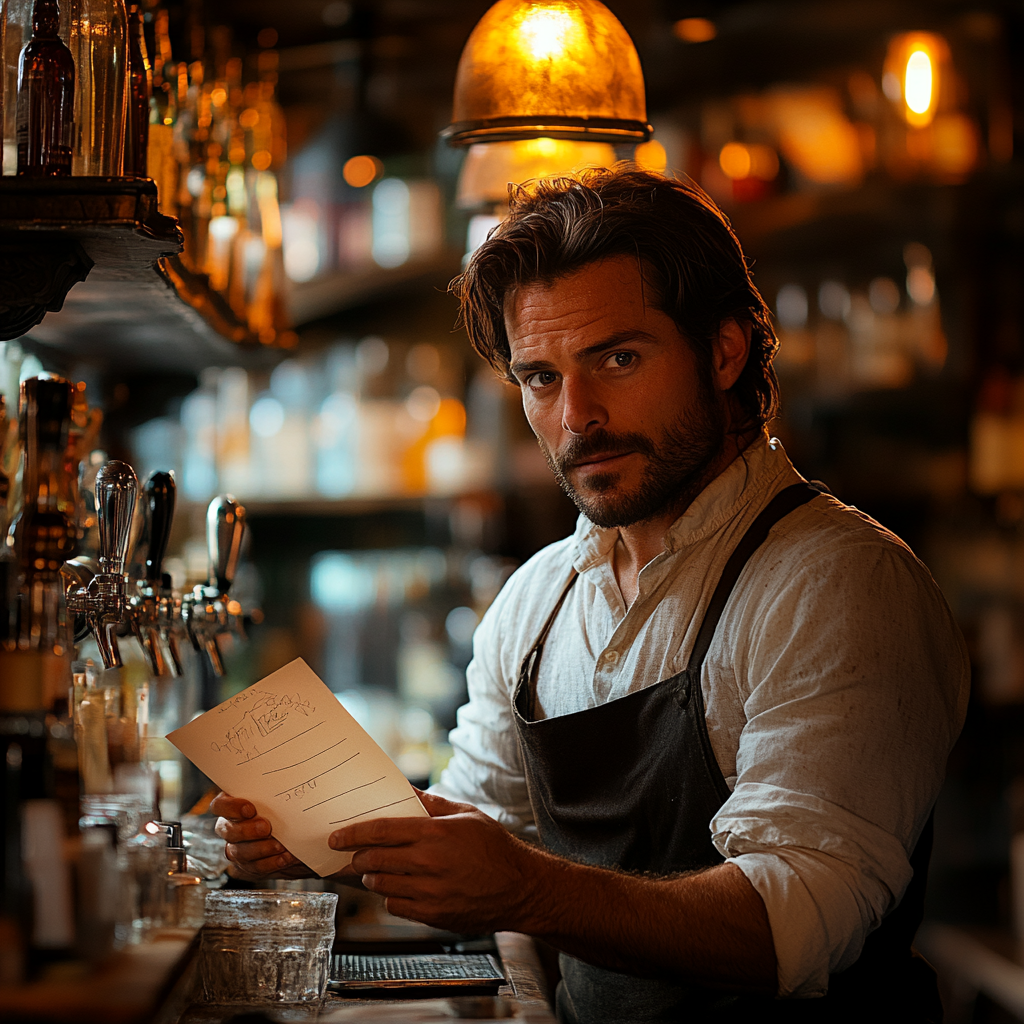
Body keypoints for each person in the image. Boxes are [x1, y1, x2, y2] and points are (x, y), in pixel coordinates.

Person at [212, 167, 969, 1022]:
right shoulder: (535, 603)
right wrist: (328, 836)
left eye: (618, 358)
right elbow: (480, 824)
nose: (576, 416)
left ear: (725, 351)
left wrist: (529, 892)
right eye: (540, 377)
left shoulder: (837, 584)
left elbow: (792, 923)